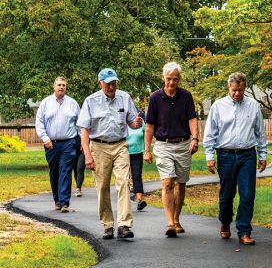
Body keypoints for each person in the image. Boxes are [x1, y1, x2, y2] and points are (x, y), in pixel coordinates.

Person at [77, 68, 143, 240]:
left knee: (123, 182)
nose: (112, 87)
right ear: (100, 84)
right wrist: (88, 155)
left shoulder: (125, 97)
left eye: (114, 83)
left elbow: (132, 122)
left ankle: (124, 225)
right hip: (99, 146)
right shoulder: (91, 101)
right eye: (108, 84)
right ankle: (108, 225)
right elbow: (84, 130)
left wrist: (136, 123)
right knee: (102, 186)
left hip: (120, 144)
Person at [203, 72, 267, 245]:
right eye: (234, 90)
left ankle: (244, 231)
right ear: (228, 88)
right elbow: (210, 134)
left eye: (240, 90)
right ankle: (225, 222)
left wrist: (262, 155)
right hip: (226, 155)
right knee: (227, 194)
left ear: (244, 88)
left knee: (247, 194)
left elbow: (260, 132)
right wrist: (210, 156)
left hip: (247, 155)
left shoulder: (253, 105)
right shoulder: (218, 106)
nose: (237, 94)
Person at [144, 61, 199, 237]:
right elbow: (150, 126)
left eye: (175, 79)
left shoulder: (186, 96)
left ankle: (176, 219)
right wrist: (146, 149)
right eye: (168, 79)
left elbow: (192, 119)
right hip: (163, 145)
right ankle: (169, 223)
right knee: (168, 182)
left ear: (179, 79)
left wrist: (195, 138)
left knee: (180, 184)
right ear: (163, 78)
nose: (171, 83)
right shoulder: (154, 98)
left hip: (183, 144)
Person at [35, 76, 80, 213]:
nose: (61, 87)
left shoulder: (73, 103)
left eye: (64, 85)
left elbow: (80, 124)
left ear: (66, 87)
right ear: (54, 87)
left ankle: (64, 201)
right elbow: (39, 122)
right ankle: (57, 200)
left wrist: (83, 141)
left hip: (68, 142)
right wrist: (44, 138)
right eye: (59, 85)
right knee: (54, 172)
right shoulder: (46, 103)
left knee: (65, 171)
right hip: (51, 144)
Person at [127, 109, 147, 211]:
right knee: (124, 177)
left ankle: (139, 200)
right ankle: (124, 202)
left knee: (137, 175)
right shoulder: (122, 120)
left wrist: (147, 149)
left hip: (137, 152)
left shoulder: (140, 120)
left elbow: (145, 134)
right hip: (123, 152)